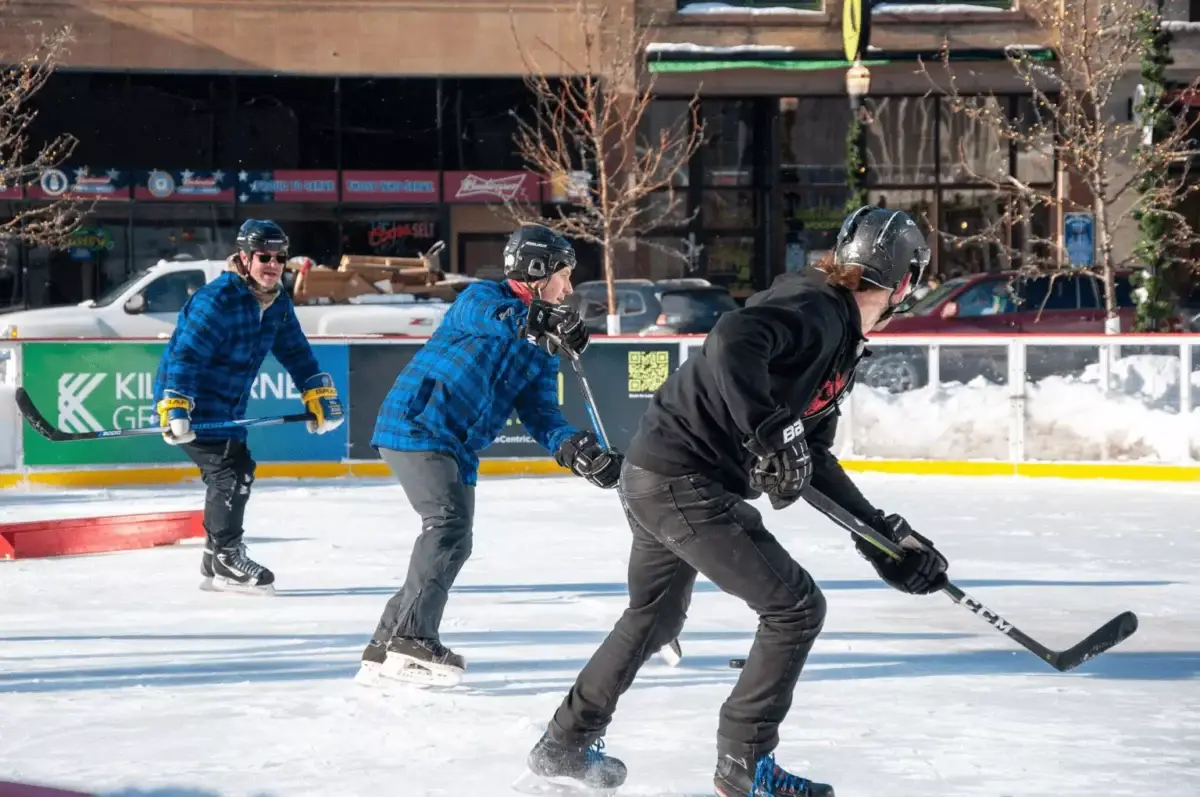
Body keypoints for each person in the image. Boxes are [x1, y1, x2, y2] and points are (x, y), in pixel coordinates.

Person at [519, 206, 950, 797]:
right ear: (907, 280)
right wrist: (771, 429)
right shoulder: (818, 307)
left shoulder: (837, 333)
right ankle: (745, 764)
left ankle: (563, 744)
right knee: (795, 607)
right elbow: (732, 339)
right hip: (682, 480)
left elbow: (813, 457)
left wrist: (879, 538)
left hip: (657, 474)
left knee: (654, 617)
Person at [357, 223, 623, 688]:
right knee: (447, 528)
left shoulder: (541, 350)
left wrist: (574, 449)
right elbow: (495, 317)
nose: (570, 287)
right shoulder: (481, 299)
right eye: (564, 275)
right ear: (536, 272)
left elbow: (540, 412)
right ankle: (412, 640)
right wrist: (540, 321)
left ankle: (384, 646)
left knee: (450, 537)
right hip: (418, 424)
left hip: (455, 444)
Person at [153, 219, 345, 595]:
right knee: (231, 471)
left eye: (279, 257)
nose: (272, 265)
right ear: (244, 257)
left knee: (231, 468)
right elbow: (186, 355)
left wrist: (316, 391)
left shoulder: (277, 303)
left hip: (229, 405)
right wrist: (175, 404)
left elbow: (296, 352)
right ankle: (226, 556)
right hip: (191, 402)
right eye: (264, 257)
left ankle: (214, 554)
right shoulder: (217, 300)